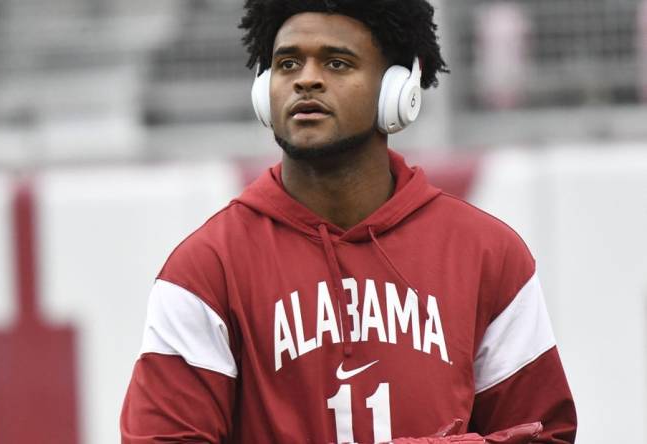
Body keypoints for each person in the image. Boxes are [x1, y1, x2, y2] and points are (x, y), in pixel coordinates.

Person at [121, 1, 577, 442]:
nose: (307, 81)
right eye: (287, 64)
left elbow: (544, 434)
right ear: (263, 91)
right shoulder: (203, 270)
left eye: (337, 63)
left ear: (397, 91)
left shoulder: (489, 254)